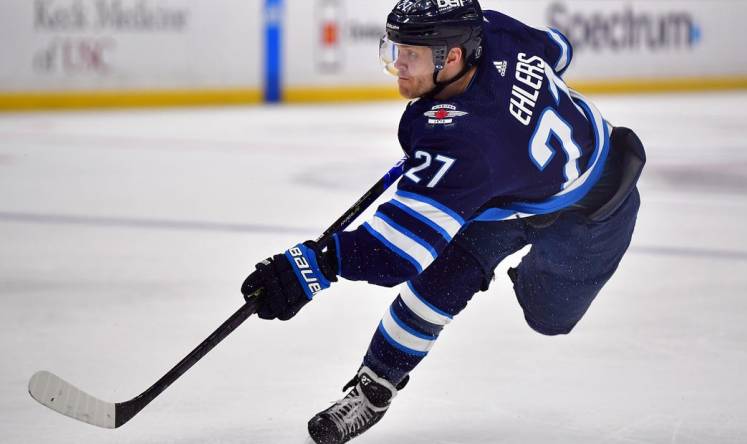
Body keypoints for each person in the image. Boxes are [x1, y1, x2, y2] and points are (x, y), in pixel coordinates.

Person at [241, 0, 646, 443]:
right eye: (395, 49)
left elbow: (393, 255)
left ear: (452, 57)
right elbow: (559, 50)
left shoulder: (465, 143)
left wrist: (314, 265)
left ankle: (529, 270)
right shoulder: (487, 29)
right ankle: (373, 390)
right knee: (434, 289)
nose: (398, 65)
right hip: (506, 197)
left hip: (593, 212)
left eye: (410, 55)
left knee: (547, 316)